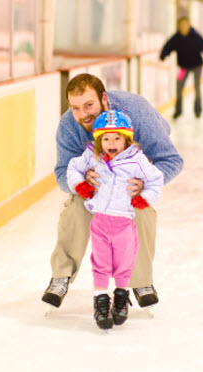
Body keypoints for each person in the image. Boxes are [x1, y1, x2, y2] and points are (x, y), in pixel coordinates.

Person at [41, 73, 183, 310]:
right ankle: (61, 276)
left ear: (104, 99)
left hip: (132, 178)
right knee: (75, 206)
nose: (83, 114)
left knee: (141, 210)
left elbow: (171, 160)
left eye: (89, 105)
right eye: (75, 108)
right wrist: (81, 181)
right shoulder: (69, 125)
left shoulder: (135, 111)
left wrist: (145, 185)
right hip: (95, 186)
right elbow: (62, 172)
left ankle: (141, 281)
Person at [67, 110, 164, 329]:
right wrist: (80, 184)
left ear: (126, 140)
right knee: (99, 264)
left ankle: (121, 297)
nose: (111, 142)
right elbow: (73, 167)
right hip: (100, 222)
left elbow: (156, 179)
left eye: (117, 138)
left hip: (124, 225)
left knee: (124, 265)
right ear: (99, 140)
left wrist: (145, 197)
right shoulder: (92, 155)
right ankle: (101, 301)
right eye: (106, 138)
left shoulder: (136, 160)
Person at [160, 16, 203, 119]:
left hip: (197, 66)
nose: (184, 27)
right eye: (182, 25)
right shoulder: (176, 37)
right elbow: (167, 46)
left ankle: (198, 110)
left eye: (185, 25)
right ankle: (178, 111)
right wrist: (163, 55)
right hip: (184, 68)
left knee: (197, 87)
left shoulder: (195, 36)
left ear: (189, 25)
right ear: (179, 26)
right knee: (179, 88)